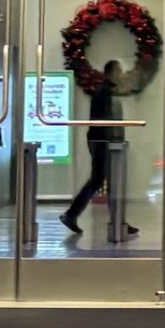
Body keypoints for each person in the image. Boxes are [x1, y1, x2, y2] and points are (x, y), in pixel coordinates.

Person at [60, 60, 138, 237]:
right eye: (118, 70)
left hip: (103, 141)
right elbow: (106, 120)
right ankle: (116, 222)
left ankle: (76, 215)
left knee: (100, 180)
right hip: (105, 142)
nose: (121, 73)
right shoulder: (105, 92)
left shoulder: (107, 91)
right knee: (109, 181)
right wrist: (114, 141)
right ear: (110, 72)